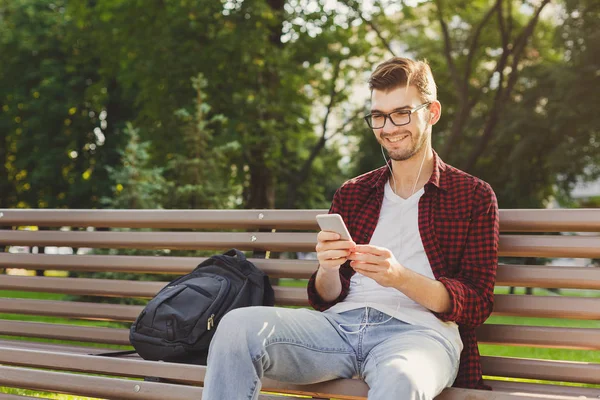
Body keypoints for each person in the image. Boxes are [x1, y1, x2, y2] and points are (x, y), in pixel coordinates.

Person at [201, 57, 499, 400]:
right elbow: (326, 296)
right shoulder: (354, 192)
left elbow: (476, 303)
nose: (388, 128)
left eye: (401, 113)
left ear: (432, 112)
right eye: (378, 116)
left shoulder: (472, 195)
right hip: (338, 329)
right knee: (237, 327)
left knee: (403, 379)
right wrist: (327, 268)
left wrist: (400, 277)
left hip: (419, 336)